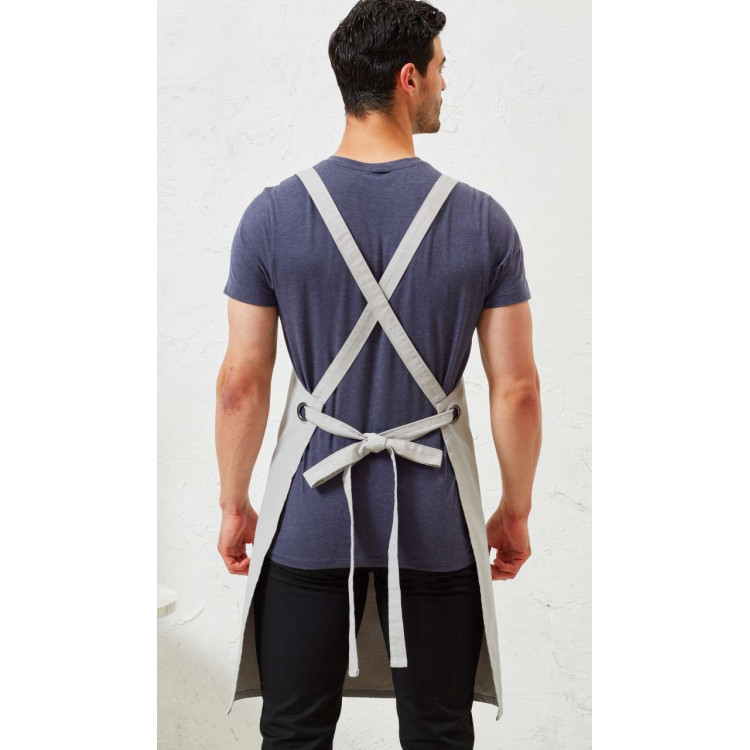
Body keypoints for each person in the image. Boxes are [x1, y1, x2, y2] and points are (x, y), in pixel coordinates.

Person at [215, 1, 542, 747]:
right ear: (407, 78)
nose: (444, 85)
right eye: (440, 69)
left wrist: (235, 503)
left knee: (293, 733)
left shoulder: (271, 216)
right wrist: (514, 509)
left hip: (309, 519)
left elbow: (241, 384)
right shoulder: (483, 222)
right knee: (438, 732)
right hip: (436, 527)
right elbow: (517, 390)